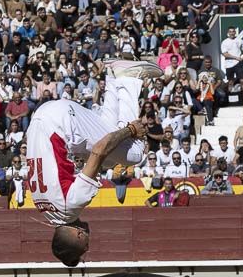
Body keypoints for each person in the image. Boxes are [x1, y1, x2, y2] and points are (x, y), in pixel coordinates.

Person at [25, 59, 163, 266]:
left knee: (133, 154)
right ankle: (112, 76)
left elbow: (98, 149)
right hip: (44, 117)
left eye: (85, 248)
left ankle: (129, 79)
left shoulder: (70, 207)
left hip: (62, 123)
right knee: (108, 154)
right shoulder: (44, 209)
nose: (89, 246)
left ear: (80, 239)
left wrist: (131, 130)